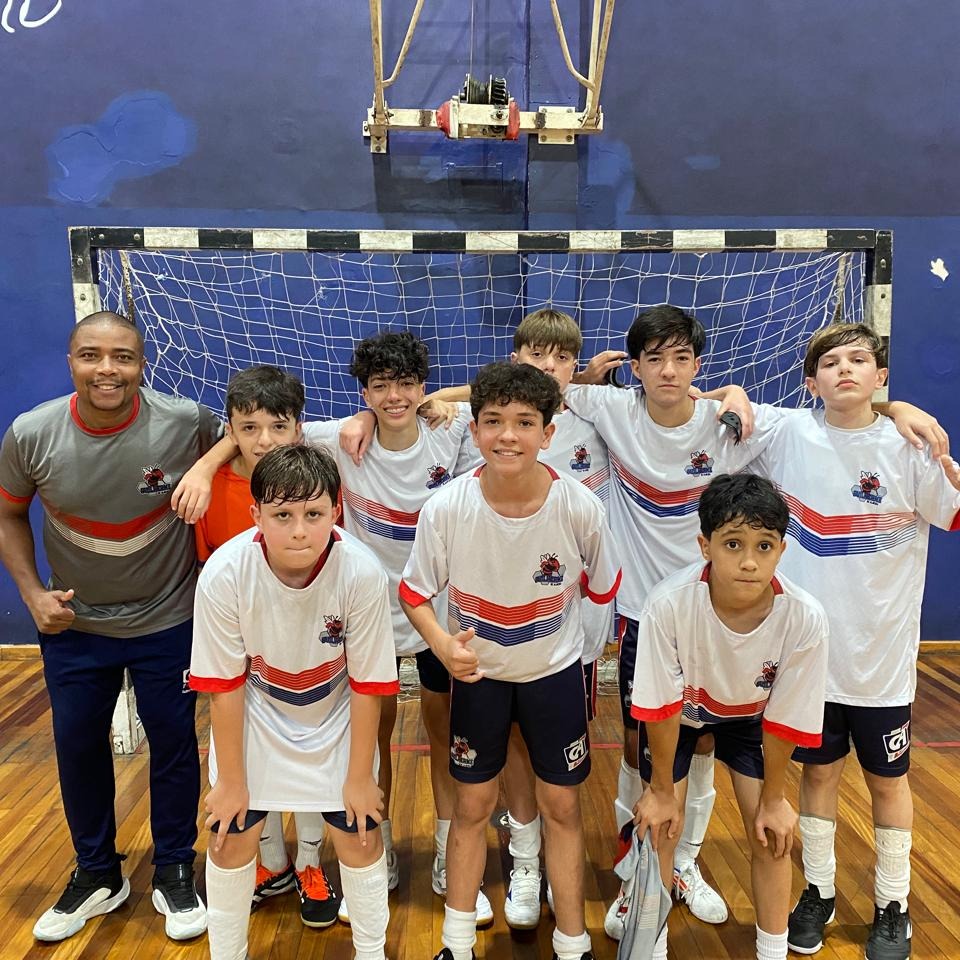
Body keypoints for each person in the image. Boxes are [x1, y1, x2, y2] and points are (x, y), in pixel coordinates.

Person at [561, 305, 942, 937]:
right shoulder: (609, 409)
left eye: (682, 357)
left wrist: (895, 409)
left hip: (729, 613)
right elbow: (519, 387)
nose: (668, 369)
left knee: (710, 742)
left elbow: (834, 419)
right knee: (645, 751)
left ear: (698, 366)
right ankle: (641, 870)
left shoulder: (732, 422)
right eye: (653, 358)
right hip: (644, 617)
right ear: (634, 367)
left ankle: (686, 864)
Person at [181, 331, 491, 925]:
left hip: (432, 606)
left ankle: (452, 858)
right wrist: (204, 464)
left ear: (423, 386)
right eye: (379, 387)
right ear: (362, 392)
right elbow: (256, 440)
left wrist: (436, 400)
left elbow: (514, 395)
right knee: (371, 733)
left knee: (446, 730)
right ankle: (381, 846)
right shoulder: (329, 437)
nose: (394, 396)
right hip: (359, 611)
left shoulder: (451, 428)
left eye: (407, 385)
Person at [0, 311, 217, 942]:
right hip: (74, 626)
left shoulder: (184, 421)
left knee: (174, 745)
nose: (107, 369)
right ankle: (97, 872)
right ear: (70, 362)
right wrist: (31, 593)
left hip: (168, 618)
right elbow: (9, 516)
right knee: (77, 746)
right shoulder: (31, 433)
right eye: (91, 355)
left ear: (141, 363)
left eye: (122, 357)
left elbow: (244, 435)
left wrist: (206, 465)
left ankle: (175, 868)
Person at [399, 361, 622, 960]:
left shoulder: (578, 507)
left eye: (525, 422)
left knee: (562, 806)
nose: (507, 435)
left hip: (554, 679)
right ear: (473, 431)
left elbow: (602, 591)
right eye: (493, 421)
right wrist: (443, 646)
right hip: (481, 682)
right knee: (472, 806)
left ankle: (573, 944)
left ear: (549, 434)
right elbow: (415, 595)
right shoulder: (446, 509)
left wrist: (582, 659)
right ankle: (455, 944)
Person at [754, 323, 960, 960]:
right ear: (810, 382)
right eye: (830, 362)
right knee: (816, 780)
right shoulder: (786, 433)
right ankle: (818, 890)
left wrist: (904, 416)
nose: (845, 369)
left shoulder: (911, 448)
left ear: (882, 377)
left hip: (882, 666)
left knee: (889, 783)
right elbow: (710, 405)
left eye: (860, 360)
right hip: (810, 661)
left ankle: (891, 905)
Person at [190, 444, 398, 960]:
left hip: (336, 718)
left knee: (361, 836)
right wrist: (232, 781)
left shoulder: (362, 573)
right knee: (230, 837)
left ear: (337, 511)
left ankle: (371, 953)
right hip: (257, 715)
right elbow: (223, 686)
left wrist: (357, 777)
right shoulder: (224, 573)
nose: (300, 530)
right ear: (256, 514)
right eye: (283, 515)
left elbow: (369, 684)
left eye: (314, 514)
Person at [631, 472, 829, 960]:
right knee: (660, 826)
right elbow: (660, 705)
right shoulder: (666, 605)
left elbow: (785, 718)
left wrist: (776, 800)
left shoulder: (805, 617)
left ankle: (772, 951)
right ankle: (651, 946)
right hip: (680, 715)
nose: (748, 561)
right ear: (705, 545)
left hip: (749, 719)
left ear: (782, 550)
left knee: (772, 834)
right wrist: (659, 793)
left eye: (764, 546)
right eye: (733, 543)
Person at [195, 364, 342, 928]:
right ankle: (270, 861)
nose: (264, 440)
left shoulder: (315, 479)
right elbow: (208, 566)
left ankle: (308, 862)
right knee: (247, 759)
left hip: (311, 645)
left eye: (278, 427)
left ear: (299, 428)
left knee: (307, 754)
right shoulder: (209, 490)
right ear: (231, 430)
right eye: (248, 428)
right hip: (243, 649)